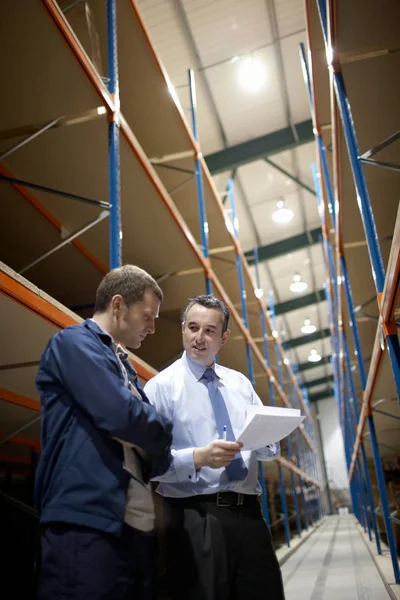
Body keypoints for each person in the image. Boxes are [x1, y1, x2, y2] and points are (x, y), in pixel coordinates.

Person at [35, 265, 173, 600]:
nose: (152, 328)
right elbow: (120, 415)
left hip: (135, 529)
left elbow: (161, 454)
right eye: (147, 316)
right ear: (117, 305)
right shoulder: (73, 343)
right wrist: (159, 428)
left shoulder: (122, 365)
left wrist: (154, 433)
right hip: (88, 523)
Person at [144, 294, 285, 600]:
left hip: (249, 514)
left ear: (224, 338)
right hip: (195, 516)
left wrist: (269, 441)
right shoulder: (161, 388)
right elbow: (149, 463)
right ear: (182, 329)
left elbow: (267, 447)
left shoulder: (240, 385)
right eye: (193, 327)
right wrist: (199, 458)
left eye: (209, 331)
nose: (199, 337)